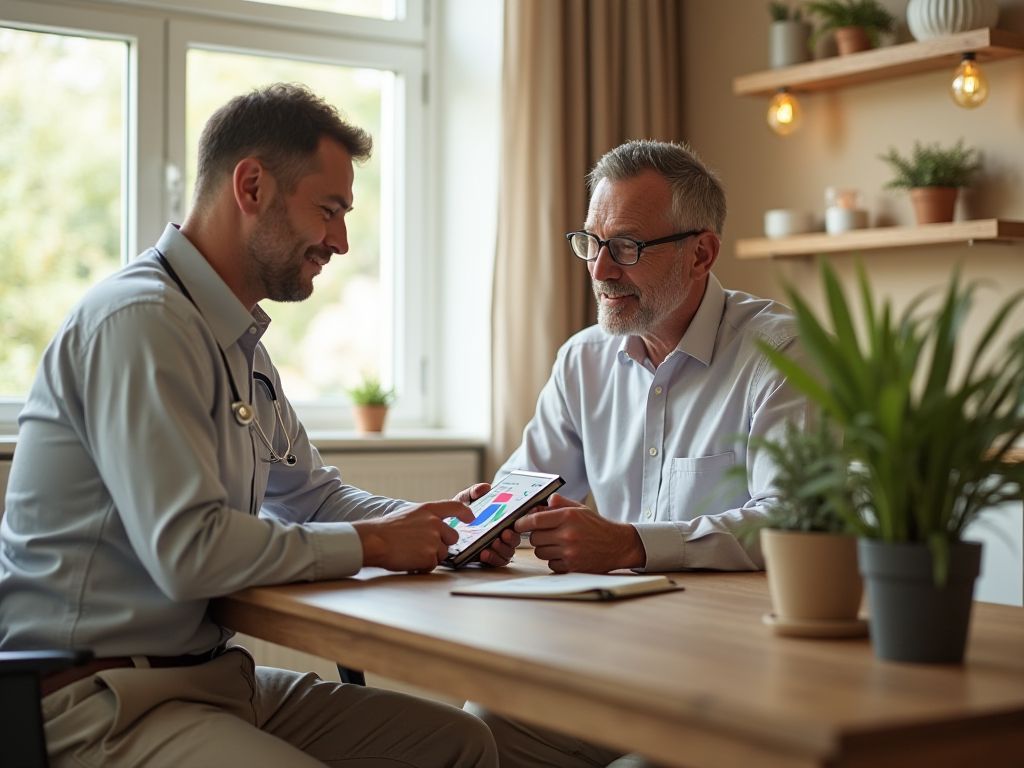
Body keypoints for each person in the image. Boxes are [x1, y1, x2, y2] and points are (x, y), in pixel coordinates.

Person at [0, 83, 508, 767]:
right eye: (328, 210)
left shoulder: (235, 342)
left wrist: (433, 526)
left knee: (460, 744)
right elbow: (191, 552)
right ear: (252, 186)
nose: (341, 240)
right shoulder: (143, 323)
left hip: (207, 678)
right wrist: (375, 544)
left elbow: (314, 494)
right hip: (98, 701)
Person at [467, 139, 809, 767]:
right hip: (618, 661)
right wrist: (495, 520)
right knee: (481, 728)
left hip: (741, 681)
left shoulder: (781, 355)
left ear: (700, 252)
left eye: (626, 247)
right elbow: (531, 480)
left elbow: (793, 521)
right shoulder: (583, 359)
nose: (599, 271)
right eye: (591, 244)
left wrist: (631, 545)